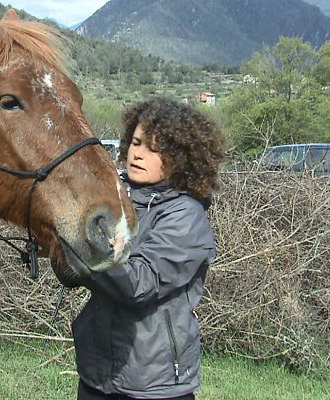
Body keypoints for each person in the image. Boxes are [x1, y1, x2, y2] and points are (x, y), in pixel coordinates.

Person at [73, 97, 225, 400]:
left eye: (154, 149)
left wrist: (82, 244)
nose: (138, 154)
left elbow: (138, 284)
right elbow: (73, 272)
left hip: (153, 385)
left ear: (182, 158)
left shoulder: (186, 216)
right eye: (136, 142)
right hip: (96, 375)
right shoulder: (113, 199)